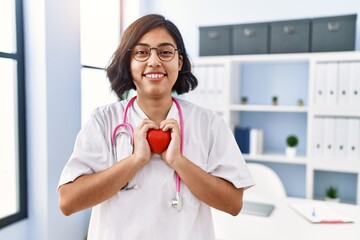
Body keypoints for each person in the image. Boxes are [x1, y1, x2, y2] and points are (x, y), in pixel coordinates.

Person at [58, 14, 254, 240]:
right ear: (128, 63)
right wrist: (135, 160)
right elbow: (68, 202)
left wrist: (178, 161)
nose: (154, 61)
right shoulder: (103, 121)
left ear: (179, 62)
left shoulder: (208, 123)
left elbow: (233, 204)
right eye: (141, 52)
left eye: (165, 52)